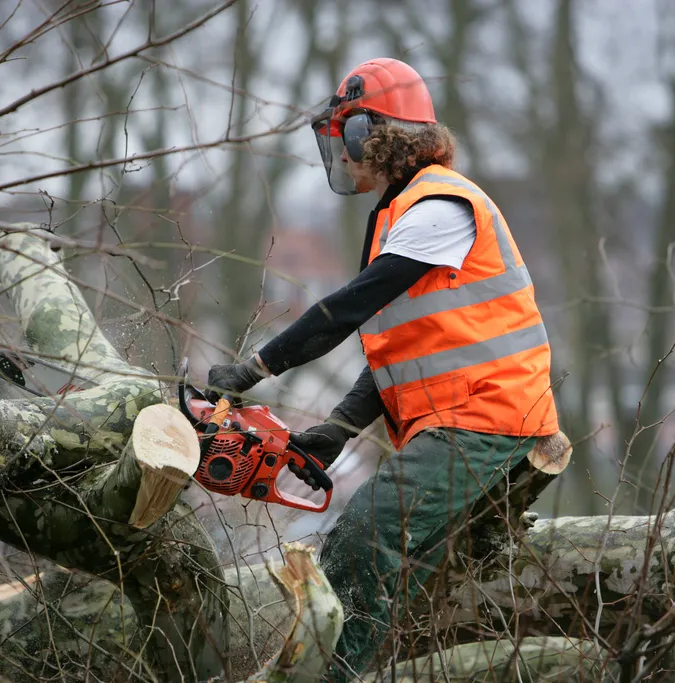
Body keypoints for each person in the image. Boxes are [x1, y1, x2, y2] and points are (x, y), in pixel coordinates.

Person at [205, 58, 560, 681]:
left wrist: (256, 367)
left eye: (347, 138)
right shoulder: (405, 218)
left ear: (379, 134)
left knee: (363, 540)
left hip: (490, 415)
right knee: (405, 571)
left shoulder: (440, 205)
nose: (342, 156)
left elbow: (348, 307)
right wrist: (340, 428)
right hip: (462, 418)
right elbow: (400, 350)